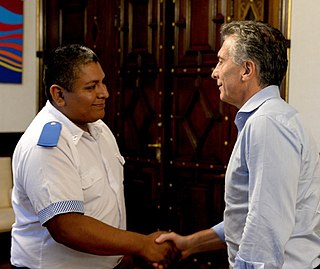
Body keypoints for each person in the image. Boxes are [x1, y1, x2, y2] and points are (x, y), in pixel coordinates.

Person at [155, 20, 320, 269]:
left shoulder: (267, 123)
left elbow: (265, 222)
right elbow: (248, 215)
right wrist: (190, 243)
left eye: (221, 61)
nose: (214, 72)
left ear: (246, 70)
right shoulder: (269, 118)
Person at [10, 44, 178, 269]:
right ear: (59, 94)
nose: (105, 93)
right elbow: (67, 226)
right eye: (91, 87)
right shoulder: (46, 144)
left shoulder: (99, 128)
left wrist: (120, 253)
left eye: (103, 82)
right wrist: (141, 245)